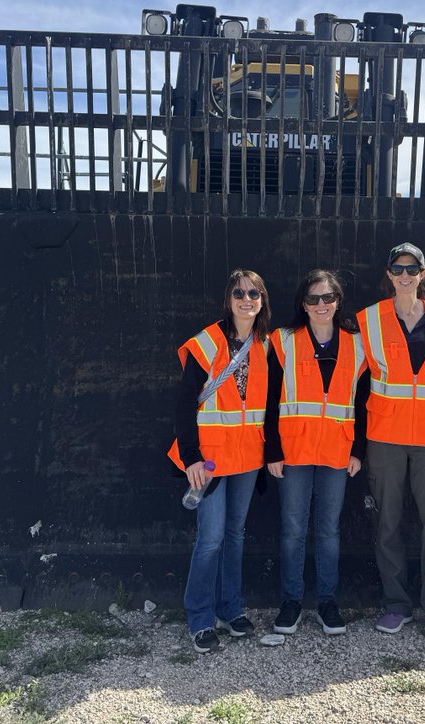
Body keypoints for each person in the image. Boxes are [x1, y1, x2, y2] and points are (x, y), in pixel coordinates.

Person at [358, 242, 425, 640]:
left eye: (412, 269)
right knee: (388, 521)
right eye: (397, 269)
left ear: (423, 273)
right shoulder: (368, 319)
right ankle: (396, 604)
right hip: (384, 436)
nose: (404, 276)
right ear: (388, 274)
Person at [168, 269, 271, 653]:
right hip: (209, 459)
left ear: (262, 300)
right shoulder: (207, 342)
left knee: (235, 535)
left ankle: (231, 609)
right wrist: (191, 457)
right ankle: (199, 618)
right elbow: (183, 404)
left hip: (246, 456)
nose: (247, 300)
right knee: (210, 539)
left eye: (254, 293)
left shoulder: (266, 344)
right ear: (228, 299)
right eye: (239, 293)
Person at [264, 269, 370, 637]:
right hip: (293, 451)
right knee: (293, 530)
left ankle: (327, 602)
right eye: (313, 299)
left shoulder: (358, 344)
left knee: (328, 531)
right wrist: (272, 451)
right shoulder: (283, 340)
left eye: (328, 298)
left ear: (338, 301)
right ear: (303, 304)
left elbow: (363, 401)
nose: (321, 305)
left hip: (337, 451)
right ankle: (291, 602)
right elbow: (269, 397)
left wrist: (357, 450)